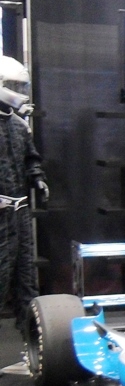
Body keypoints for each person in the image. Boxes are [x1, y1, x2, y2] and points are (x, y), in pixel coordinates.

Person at [0, 56, 48, 338]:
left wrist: (38, 178)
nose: (20, 91)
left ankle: (32, 340)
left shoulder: (19, 126)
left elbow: (31, 158)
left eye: (22, 86)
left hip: (19, 212)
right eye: (14, 85)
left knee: (26, 278)